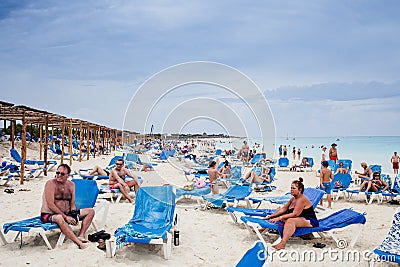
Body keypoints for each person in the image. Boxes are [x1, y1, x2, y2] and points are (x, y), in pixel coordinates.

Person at [40, 164, 94, 249]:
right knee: (59, 218)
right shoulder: (50, 184)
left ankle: (81, 235)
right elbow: (50, 204)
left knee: (90, 211)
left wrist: (73, 215)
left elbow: (72, 203)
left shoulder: (71, 185)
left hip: (66, 213)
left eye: (62, 174)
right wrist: (65, 217)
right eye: (57, 173)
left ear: (68, 175)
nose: (59, 175)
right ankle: (78, 243)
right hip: (49, 214)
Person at [265, 178, 319, 250]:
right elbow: (283, 209)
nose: (291, 190)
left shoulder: (301, 199)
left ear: (300, 190)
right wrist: (271, 216)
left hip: (310, 220)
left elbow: (295, 214)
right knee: (279, 216)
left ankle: (283, 242)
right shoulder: (293, 199)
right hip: (300, 219)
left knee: (290, 220)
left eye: (293, 188)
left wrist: (279, 218)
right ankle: (262, 229)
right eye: (291, 188)